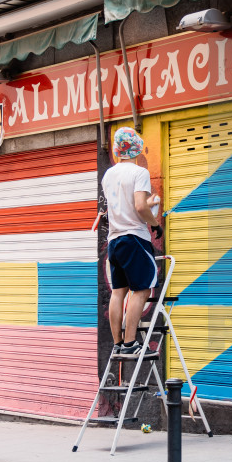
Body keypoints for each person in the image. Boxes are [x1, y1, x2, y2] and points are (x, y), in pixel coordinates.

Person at [101, 127, 162, 355]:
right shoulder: (139, 173)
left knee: (119, 292)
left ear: (118, 150)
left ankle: (117, 344)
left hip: (114, 241)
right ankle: (130, 343)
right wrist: (154, 223)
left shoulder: (109, 175)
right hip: (134, 237)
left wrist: (149, 202)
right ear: (137, 147)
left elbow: (124, 204)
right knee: (142, 290)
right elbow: (138, 206)